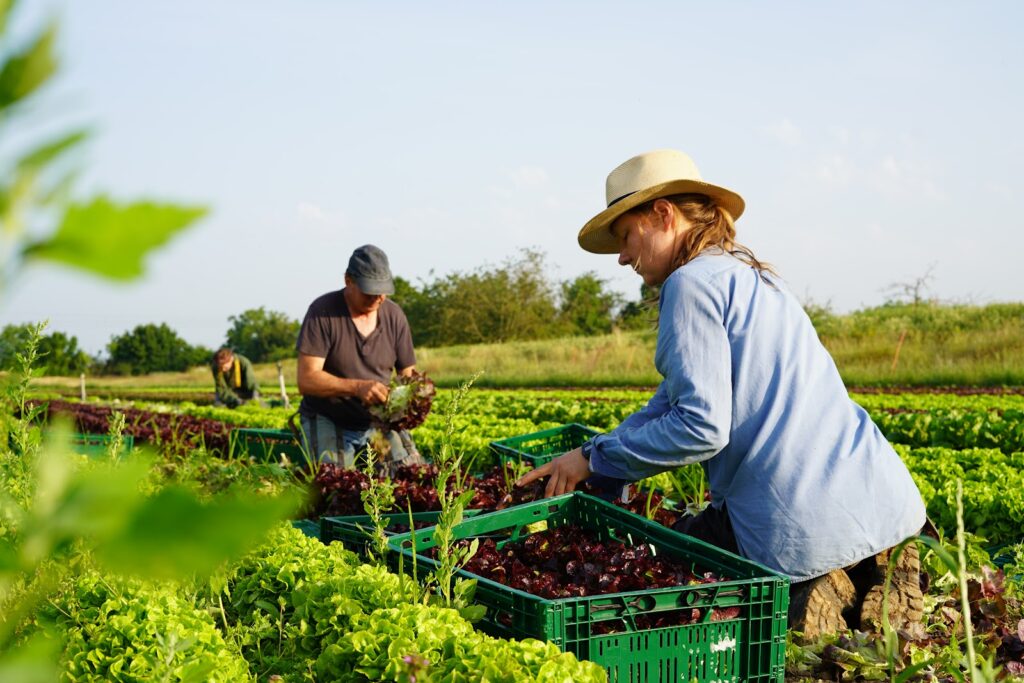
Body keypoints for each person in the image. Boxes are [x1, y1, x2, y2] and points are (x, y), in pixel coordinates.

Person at [516, 149, 927, 639]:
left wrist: (595, 460)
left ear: (662, 215)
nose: (623, 256)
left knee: (673, 568)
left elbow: (700, 427)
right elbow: (670, 402)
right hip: (885, 500)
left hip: (800, 522)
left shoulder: (689, 285)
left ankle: (819, 589)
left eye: (625, 236)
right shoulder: (748, 272)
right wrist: (594, 453)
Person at [295, 244, 424, 469]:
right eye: (369, 291)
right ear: (348, 281)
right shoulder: (323, 312)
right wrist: (357, 387)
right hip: (328, 416)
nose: (377, 298)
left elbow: (408, 374)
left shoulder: (395, 316)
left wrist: (411, 400)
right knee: (333, 483)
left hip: (377, 420)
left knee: (408, 475)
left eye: (382, 291)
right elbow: (307, 379)